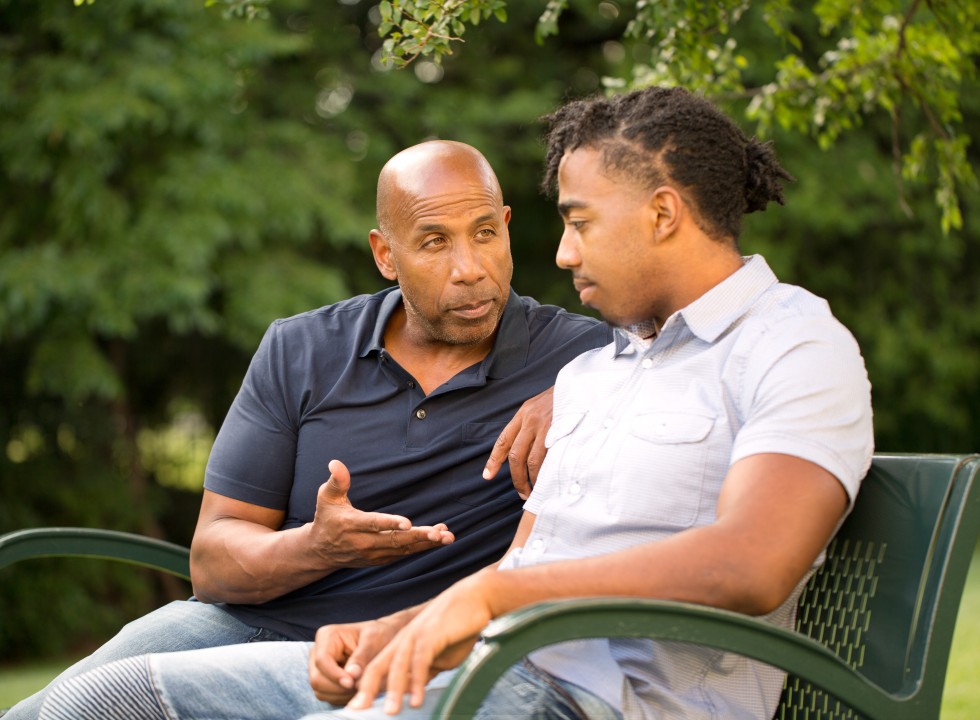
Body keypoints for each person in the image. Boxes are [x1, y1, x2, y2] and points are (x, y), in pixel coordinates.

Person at [298, 86, 875, 719]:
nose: (563, 252)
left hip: (603, 702)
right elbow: (528, 562)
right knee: (168, 690)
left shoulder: (792, 345)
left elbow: (753, 562)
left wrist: (493, 597)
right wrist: (401, 627)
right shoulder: (593, 374)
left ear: (662, 214)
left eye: (580, 222)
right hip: (494, 673)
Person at [16, 140, 611, 720]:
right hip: (246, 625)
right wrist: (316, 546)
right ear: (385, 254)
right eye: (434, 242)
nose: (470, 269)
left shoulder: (587, 357)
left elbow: (678, 359)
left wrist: (580, 387)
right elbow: (213, 562)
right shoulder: (300, 348)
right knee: (51, 710)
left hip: (418, 651)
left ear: (506, 225)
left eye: (485, 233)